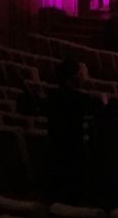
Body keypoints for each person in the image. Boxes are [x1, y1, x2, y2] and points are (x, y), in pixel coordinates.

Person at [45, 59, 105, 203]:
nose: (83, 77)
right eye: (81, 74)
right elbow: (99, 107)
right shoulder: (80, 99)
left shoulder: (51, 96)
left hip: (56, 152)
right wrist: (103, 100)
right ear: (74, 77)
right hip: (75, 155)